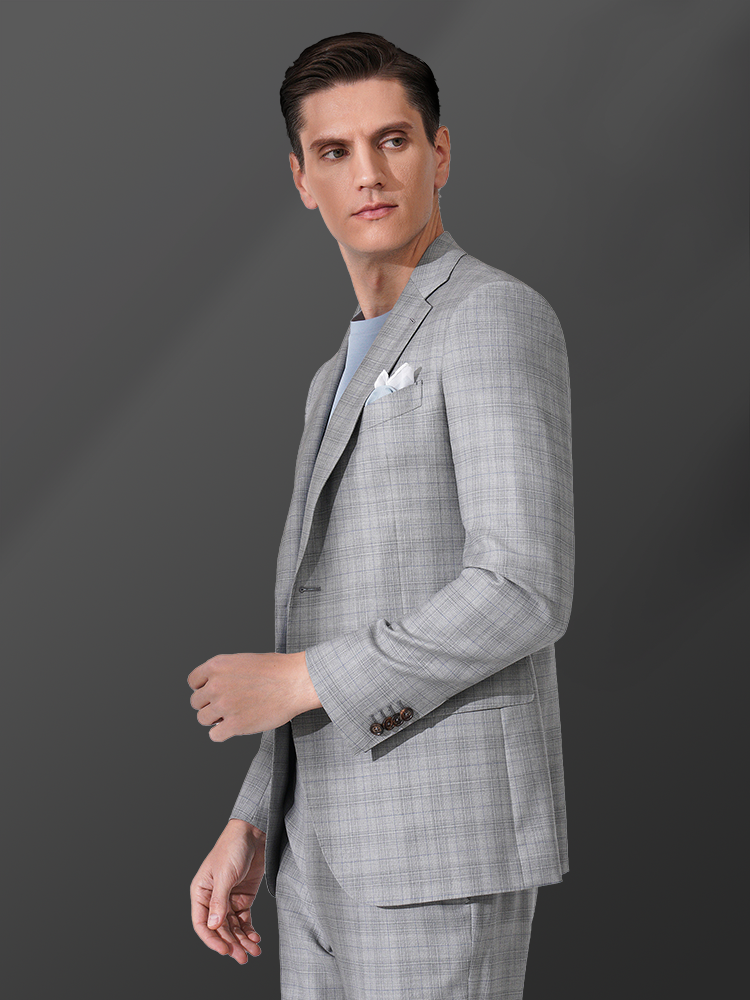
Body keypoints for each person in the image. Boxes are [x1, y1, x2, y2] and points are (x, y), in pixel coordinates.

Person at [188, 31, 574, 999]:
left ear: (439, 153)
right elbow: (317, 621)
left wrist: (302, 679)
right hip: (315, 851)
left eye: (392, 140)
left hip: (440, 849)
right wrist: (254, 816)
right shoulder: (329, 379)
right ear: (301, 179)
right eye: (335, 150)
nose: (367, 173)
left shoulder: (493, 315)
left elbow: (523, 587)